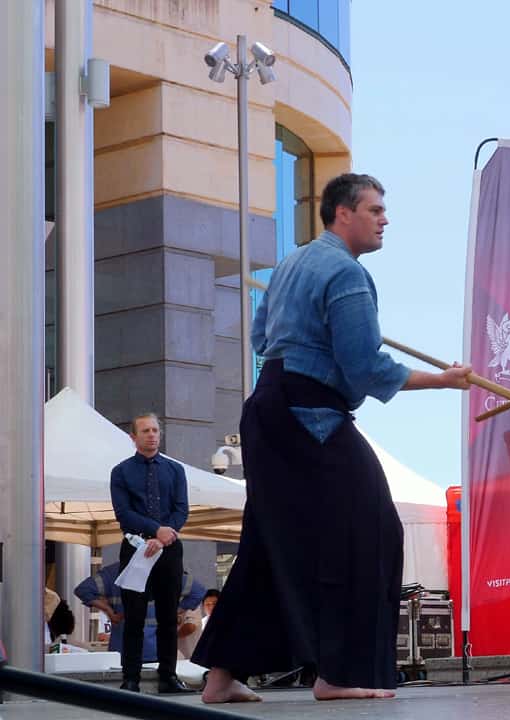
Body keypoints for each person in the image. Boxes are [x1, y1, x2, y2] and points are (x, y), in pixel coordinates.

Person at [192, 173, 471, 704]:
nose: (385, 219)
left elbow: (260, 336)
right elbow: (364, 366)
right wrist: (442, 379)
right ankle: (338, 672)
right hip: (309, 413)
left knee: (270, 540)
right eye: (376, 210)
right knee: (373, 531)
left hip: (270, 407)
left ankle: (222, 676)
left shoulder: (294, 262)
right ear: (344, 213)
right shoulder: (346, 274)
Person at [109, 412, 191, 694]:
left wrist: (165, 535)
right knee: (134, 616)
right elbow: (123, 513)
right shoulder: (120, 472)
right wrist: (156, 531)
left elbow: (182, 509)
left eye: (155, 430)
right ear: (133, 437)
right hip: (136, 548)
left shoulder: (175, 470)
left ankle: (168, 675)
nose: (152, 435)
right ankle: (130, 677)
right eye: (145, 431)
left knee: (170, 615)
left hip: (169, 549)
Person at [74, 562, 207, 666]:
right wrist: (175, 611)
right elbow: (199, 592)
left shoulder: (113, 572)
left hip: (122, 650)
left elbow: (83, 590)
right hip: (159, 650)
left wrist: (109, 611)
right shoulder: (167, 570)